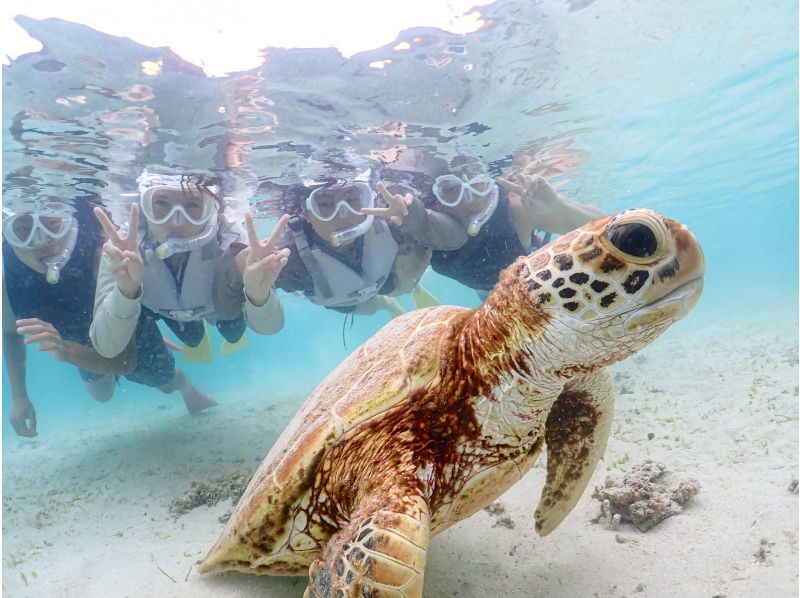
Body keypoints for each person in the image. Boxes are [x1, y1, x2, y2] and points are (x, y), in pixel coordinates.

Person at [89, 167, 288, 410]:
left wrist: (259, 295)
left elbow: (270, 327)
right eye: (161, 203)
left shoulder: (233, 239)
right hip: (164, 309)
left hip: (219, 307)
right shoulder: (123, 247)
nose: (176, 219)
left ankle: (209, 329)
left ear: (211, 210)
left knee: (233, 334)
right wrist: (126, 292)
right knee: (192, 339)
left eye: (192, 205)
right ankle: (194, 335)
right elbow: (107, 346)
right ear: (145, 207)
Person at [375, 154, 604, 295]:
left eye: (478, 185)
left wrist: (557, 206)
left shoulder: (517, 210)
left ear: (491, 182)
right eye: (452, 191)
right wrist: (408, 279)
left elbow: (606, 227)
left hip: (533, 285)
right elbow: (398, 289)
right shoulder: (423, 228)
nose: (471, 199)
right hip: (488, 293)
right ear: (437, 199)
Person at [2, 200, 136, 437]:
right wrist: (20, 396)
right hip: (80, 345)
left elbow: (126, 361)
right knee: (102, 396)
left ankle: (183, 386)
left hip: (119, 327)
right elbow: (11, 333)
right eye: (22, 230)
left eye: (52, 224)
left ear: (68, 223)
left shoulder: (99, 255)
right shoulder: (6, 278)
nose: (40, 242)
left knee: (160, 374)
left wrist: (67, 352)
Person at [271, 164, 454, 316]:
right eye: (325, 204)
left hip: (386, 281)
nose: (344, 215)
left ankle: (408, 287)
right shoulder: (289, 258)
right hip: (342, 301)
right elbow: (254, 295)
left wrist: (413, 217)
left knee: (404, 279)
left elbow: (453, 237)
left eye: (351, 198)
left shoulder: (392, 221)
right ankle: (386, 304)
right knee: (368, 308)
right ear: (307, 216)